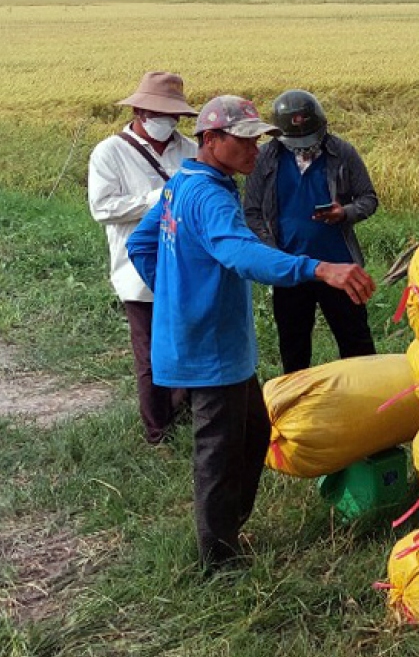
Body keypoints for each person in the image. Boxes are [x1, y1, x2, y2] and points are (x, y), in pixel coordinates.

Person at [128, 95, 376, 569]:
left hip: (211, 341)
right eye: (244, 141)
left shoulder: (182, 182)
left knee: (253, 430)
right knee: (218, 451)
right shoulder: (212, 196)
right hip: (211, 346)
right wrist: (321, 268)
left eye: (258, 139)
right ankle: (218, 558)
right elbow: (242, 253)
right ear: (212, 140)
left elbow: (143, 243)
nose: (255, 150)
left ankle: (228, 527)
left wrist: (176, 294)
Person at [87, 70, 198, 446]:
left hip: (185, 265)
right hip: (138, 269)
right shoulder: (110, 152)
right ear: (138, 110)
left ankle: (183, 411)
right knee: (150, 353)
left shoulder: (190, 150)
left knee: (187, 343)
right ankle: (158, 431)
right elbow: (102, 208)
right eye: (158, 113)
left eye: (174, 115)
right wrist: (155, 199)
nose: (168, 121)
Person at [244, 89, 379, 374]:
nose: (303, 147)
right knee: (294, 348)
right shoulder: (264, 158)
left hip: (341, 268)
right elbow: (252, 212)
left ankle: (369, 404)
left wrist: (345, 212)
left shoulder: (342, 152)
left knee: (357, 345)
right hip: (290, 270)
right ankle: (298, 408)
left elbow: (368, 198)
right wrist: (272, 253)